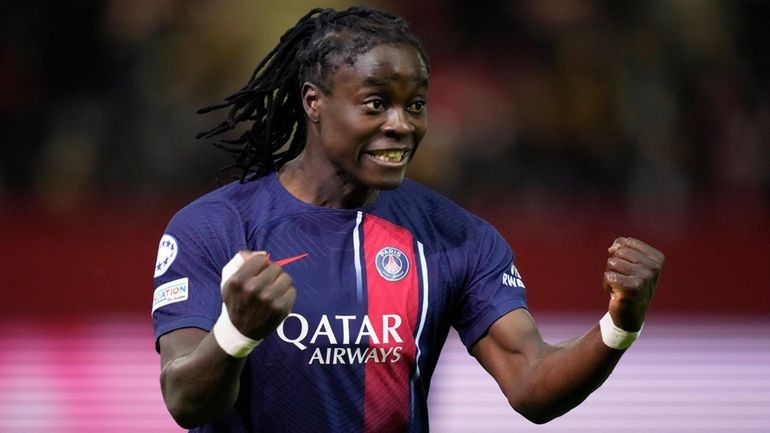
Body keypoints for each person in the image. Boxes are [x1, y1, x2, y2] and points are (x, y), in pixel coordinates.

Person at [151, 6, 664, 433]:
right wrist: (236, 333)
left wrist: (620, 324)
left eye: (415, 105)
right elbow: (185, 400)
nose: (401, 125)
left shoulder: (455, 236)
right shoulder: (214, 228)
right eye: (376, 104)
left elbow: (531, 384)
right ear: (314, 102)